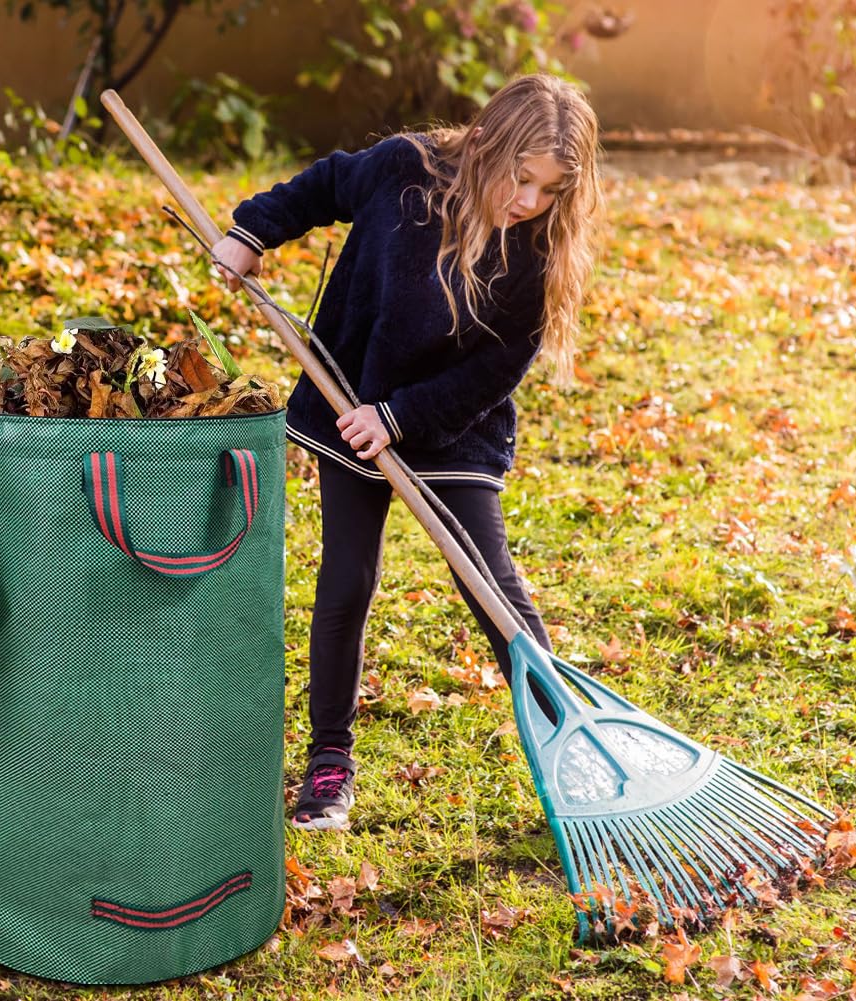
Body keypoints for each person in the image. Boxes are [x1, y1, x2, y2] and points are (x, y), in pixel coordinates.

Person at [212, 73, 603, 831]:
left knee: (491, 584)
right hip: (351, 399)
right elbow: (324, 185)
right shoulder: (404, 171)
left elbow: (497, 367)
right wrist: (249, 233)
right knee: (346, 577)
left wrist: (402, 416)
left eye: (549, 191)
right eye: (520, 179)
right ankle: (329, 761)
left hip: (452, 421)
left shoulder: (534, 249)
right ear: (484, 145)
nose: (527, 202)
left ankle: (573, 746)